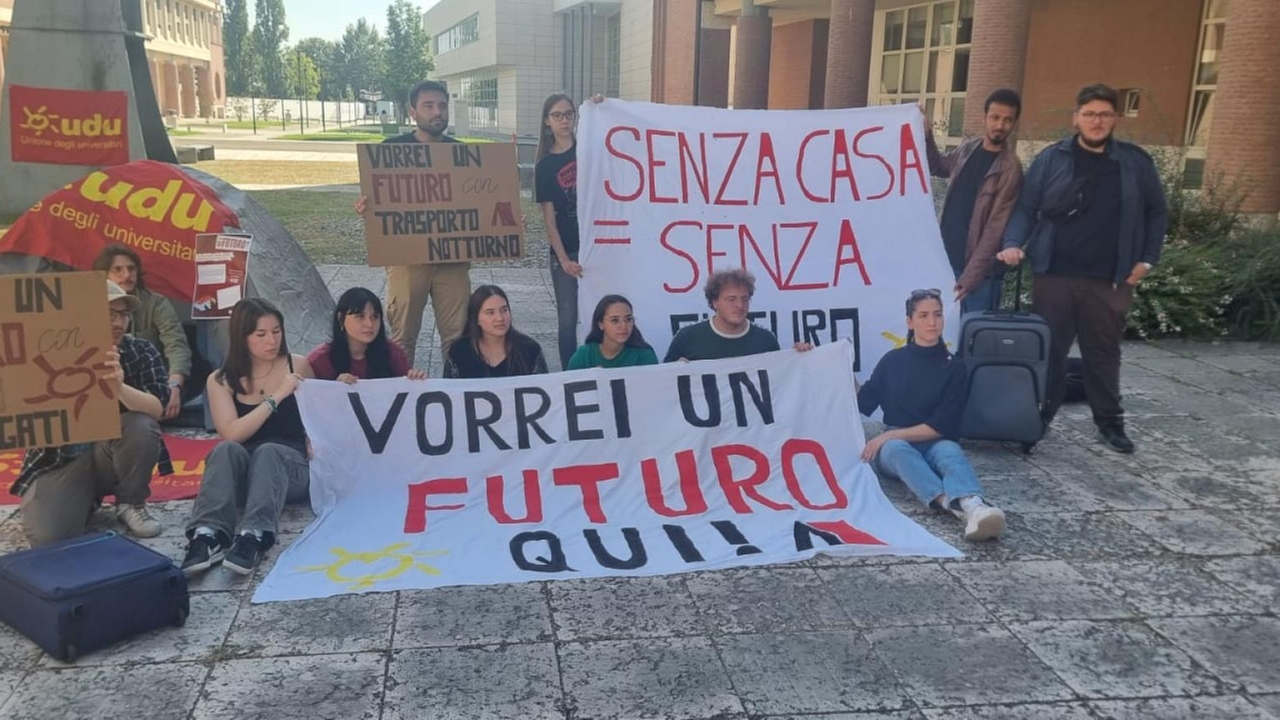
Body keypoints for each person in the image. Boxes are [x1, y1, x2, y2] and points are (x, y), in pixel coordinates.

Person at [997, 83, 1168, 454]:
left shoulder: (1135, 162)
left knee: (1103, 353)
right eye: (1089, 113)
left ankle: (1110, 422)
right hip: (1054, 274)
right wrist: (1012, 243)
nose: (1097, 120)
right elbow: (1026, 207)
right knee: (1051, 352)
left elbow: (1157, 212)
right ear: (1076, 118)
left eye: (1105, 114)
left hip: (1110, 278)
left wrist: (1147, 259)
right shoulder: (1051, 158)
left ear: (1115, 119)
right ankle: (1037, 419)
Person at [12, 280, 170, 545]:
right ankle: (79, 499)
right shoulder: (51, 351)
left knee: (140, 425)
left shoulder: (142, 351)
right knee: (50, 538)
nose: (119, 323)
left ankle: (131, 502)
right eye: (109, 314)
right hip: (61, 458)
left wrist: (118, 387)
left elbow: (157, 409)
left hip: (111, 455)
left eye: (123, 315)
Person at [858, 289, 1006, 541]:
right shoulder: (892, 361)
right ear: (909, 321)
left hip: (935, 439)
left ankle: (974, 505)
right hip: (896, 446)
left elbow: (940, 426)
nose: (932, 322)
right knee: (896, 450)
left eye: (937, 315)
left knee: (950, 452)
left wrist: (886, 436)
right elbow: (864, 401)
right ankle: (952, 504)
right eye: (924, 315)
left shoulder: (955, 366)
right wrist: (836, 366)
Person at [181, 298, 315, 576]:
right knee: (224, 450)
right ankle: (207, 534)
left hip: (289, 468)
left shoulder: (297, 365)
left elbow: (322, 416)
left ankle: (255, 535)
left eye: (276, 331)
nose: (272, 341)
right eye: (261, 334)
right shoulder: (220, 379)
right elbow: (231, 432)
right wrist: (277, 397)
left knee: (269, 450)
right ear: (242, 338)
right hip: (245, 472)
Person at [354, 80, 469, 367]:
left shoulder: (463, 155)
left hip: (452, 259)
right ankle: (401, 395)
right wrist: (367, 208)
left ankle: (456, 397)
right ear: (413, 111)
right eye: (428, 106)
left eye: (442, 106)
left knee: (458, 337)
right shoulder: (390, 151)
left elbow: (480, 203)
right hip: (407, 258)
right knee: (402, 338)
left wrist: (502, 222)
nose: (437, 112)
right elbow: (376, 199)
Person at [923, 89, 1025, 313]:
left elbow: (995, 228)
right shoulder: (969, 148)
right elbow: (938, 166)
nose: (1000, 125)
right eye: (995, 117)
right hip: (946, 259)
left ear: (1014, 123)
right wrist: (926, 135)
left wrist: (971, 277)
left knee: (970, 334)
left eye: (1007, 120)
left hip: (976, 274)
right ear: (984, 118)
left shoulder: (1010, 168)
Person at [93, 244, 195, 419]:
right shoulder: (88, 303)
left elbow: (176, 344)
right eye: (118, 269)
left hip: (148, 386)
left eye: (131, 269)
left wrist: (174, 386)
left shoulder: (155, 304)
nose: (126, 275)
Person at [664, 268, 810, 362]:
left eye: (745, 299)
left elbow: (781, 386)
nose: (739, 305)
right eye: (731, 299)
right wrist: (675, 370)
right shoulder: (687, 337)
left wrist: (799, 358)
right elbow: (663, 384)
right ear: (715, 302)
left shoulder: (766, 340)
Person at [535, 93, 583, 368]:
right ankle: (570, 373)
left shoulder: (590, 147)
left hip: (599, 244)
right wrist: (563, 259)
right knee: (567, 318)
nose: (565, 120)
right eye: (557, 115)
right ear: (547, 121)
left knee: (604, 310)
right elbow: (549, 221)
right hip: (566, 249)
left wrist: (602, 108)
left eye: (569, 114)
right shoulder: (545, 166)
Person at [307, 287, 427, 382]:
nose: (369, 324)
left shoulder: (393, 353)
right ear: (340, 319)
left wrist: (415, 380)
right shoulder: (319, 360)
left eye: (374, 317)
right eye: (360, 316)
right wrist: (335, 389)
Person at [443, 285, 548, 378]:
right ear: (476, 319)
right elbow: (447, 391)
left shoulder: (530, 350)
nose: (499, 318)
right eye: (490, 312)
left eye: (504, 310)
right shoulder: (459, 351)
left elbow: (547, 387)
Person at [566, 295, 659, 369]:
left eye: (628, 319)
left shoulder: (644, 356)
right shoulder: (584, 356)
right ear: (600, 324)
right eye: (615, 320)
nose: (623, 326)